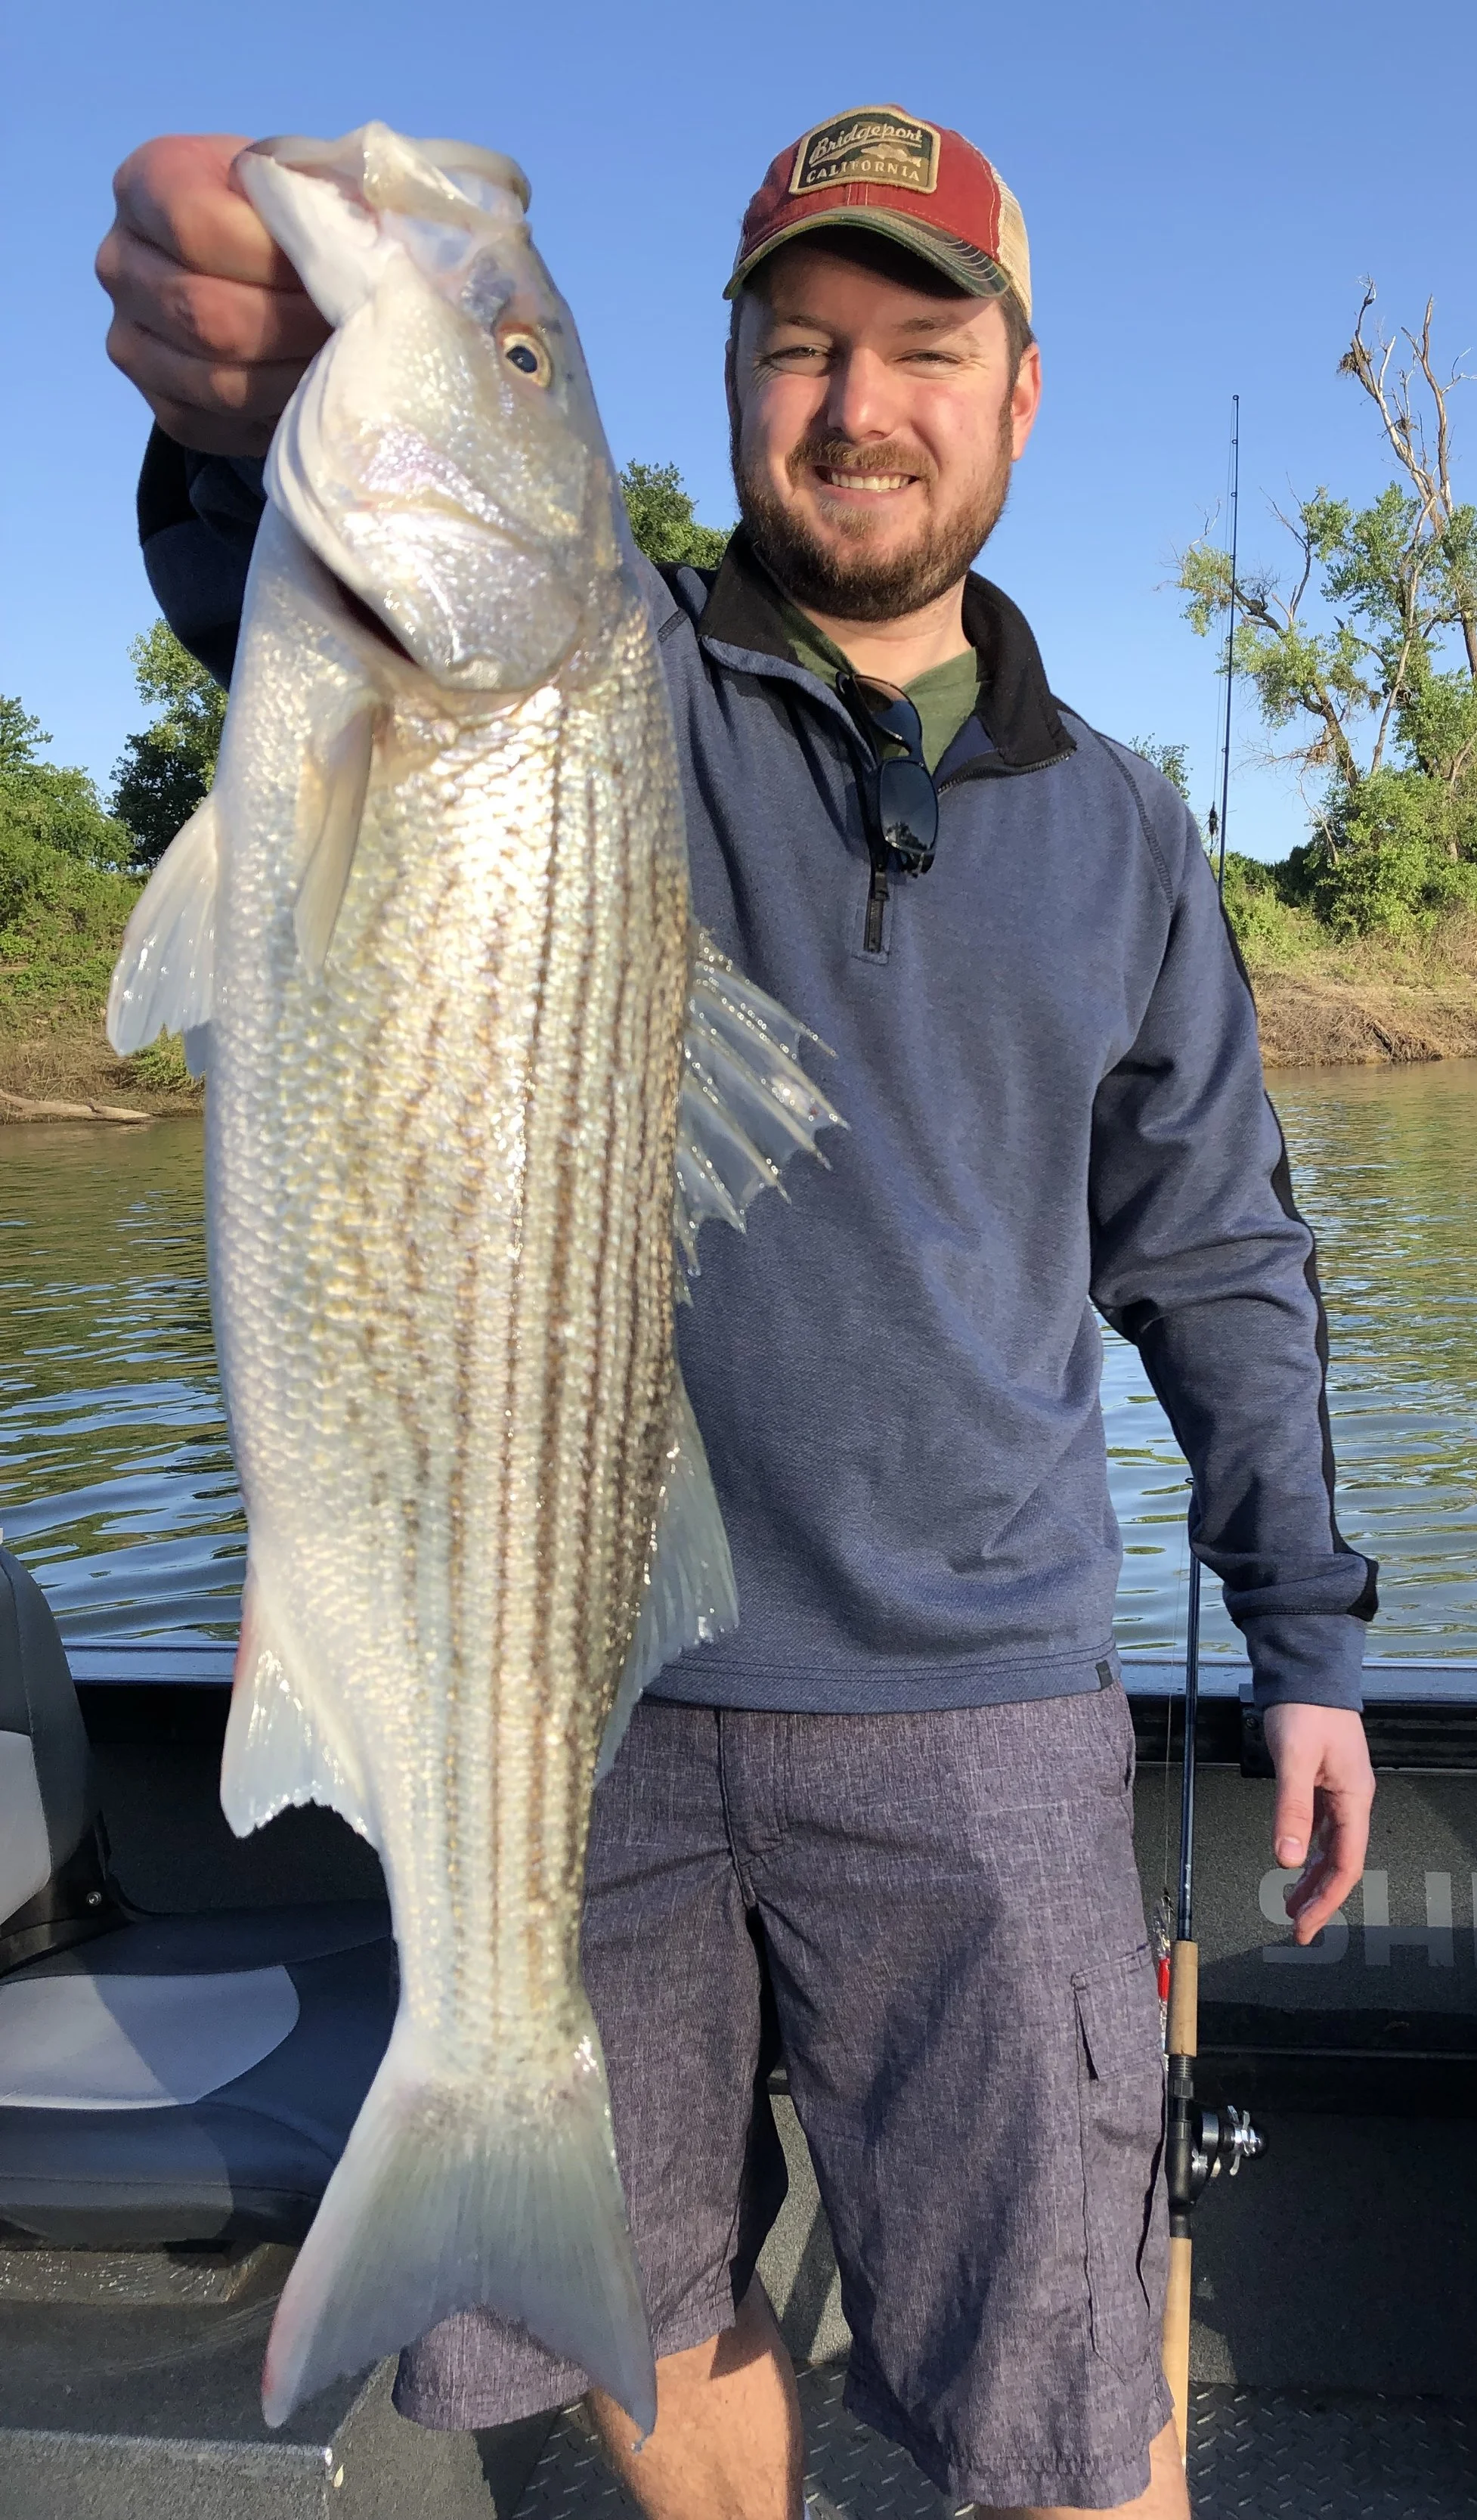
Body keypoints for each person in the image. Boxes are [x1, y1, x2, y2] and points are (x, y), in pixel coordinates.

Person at [97, 104, 1379, 2520]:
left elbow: (1213, 1248)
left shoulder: (1123, 828)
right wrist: (228, 417)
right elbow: (292, 586)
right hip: (587, 1691)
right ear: (723, 386)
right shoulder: (600, 669)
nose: (857, 401)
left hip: (980, 1706)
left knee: (1067, 2407)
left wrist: (1303, 1636)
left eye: (922, 346)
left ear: (1020, 392)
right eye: (801, 346)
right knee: (651, 2319)